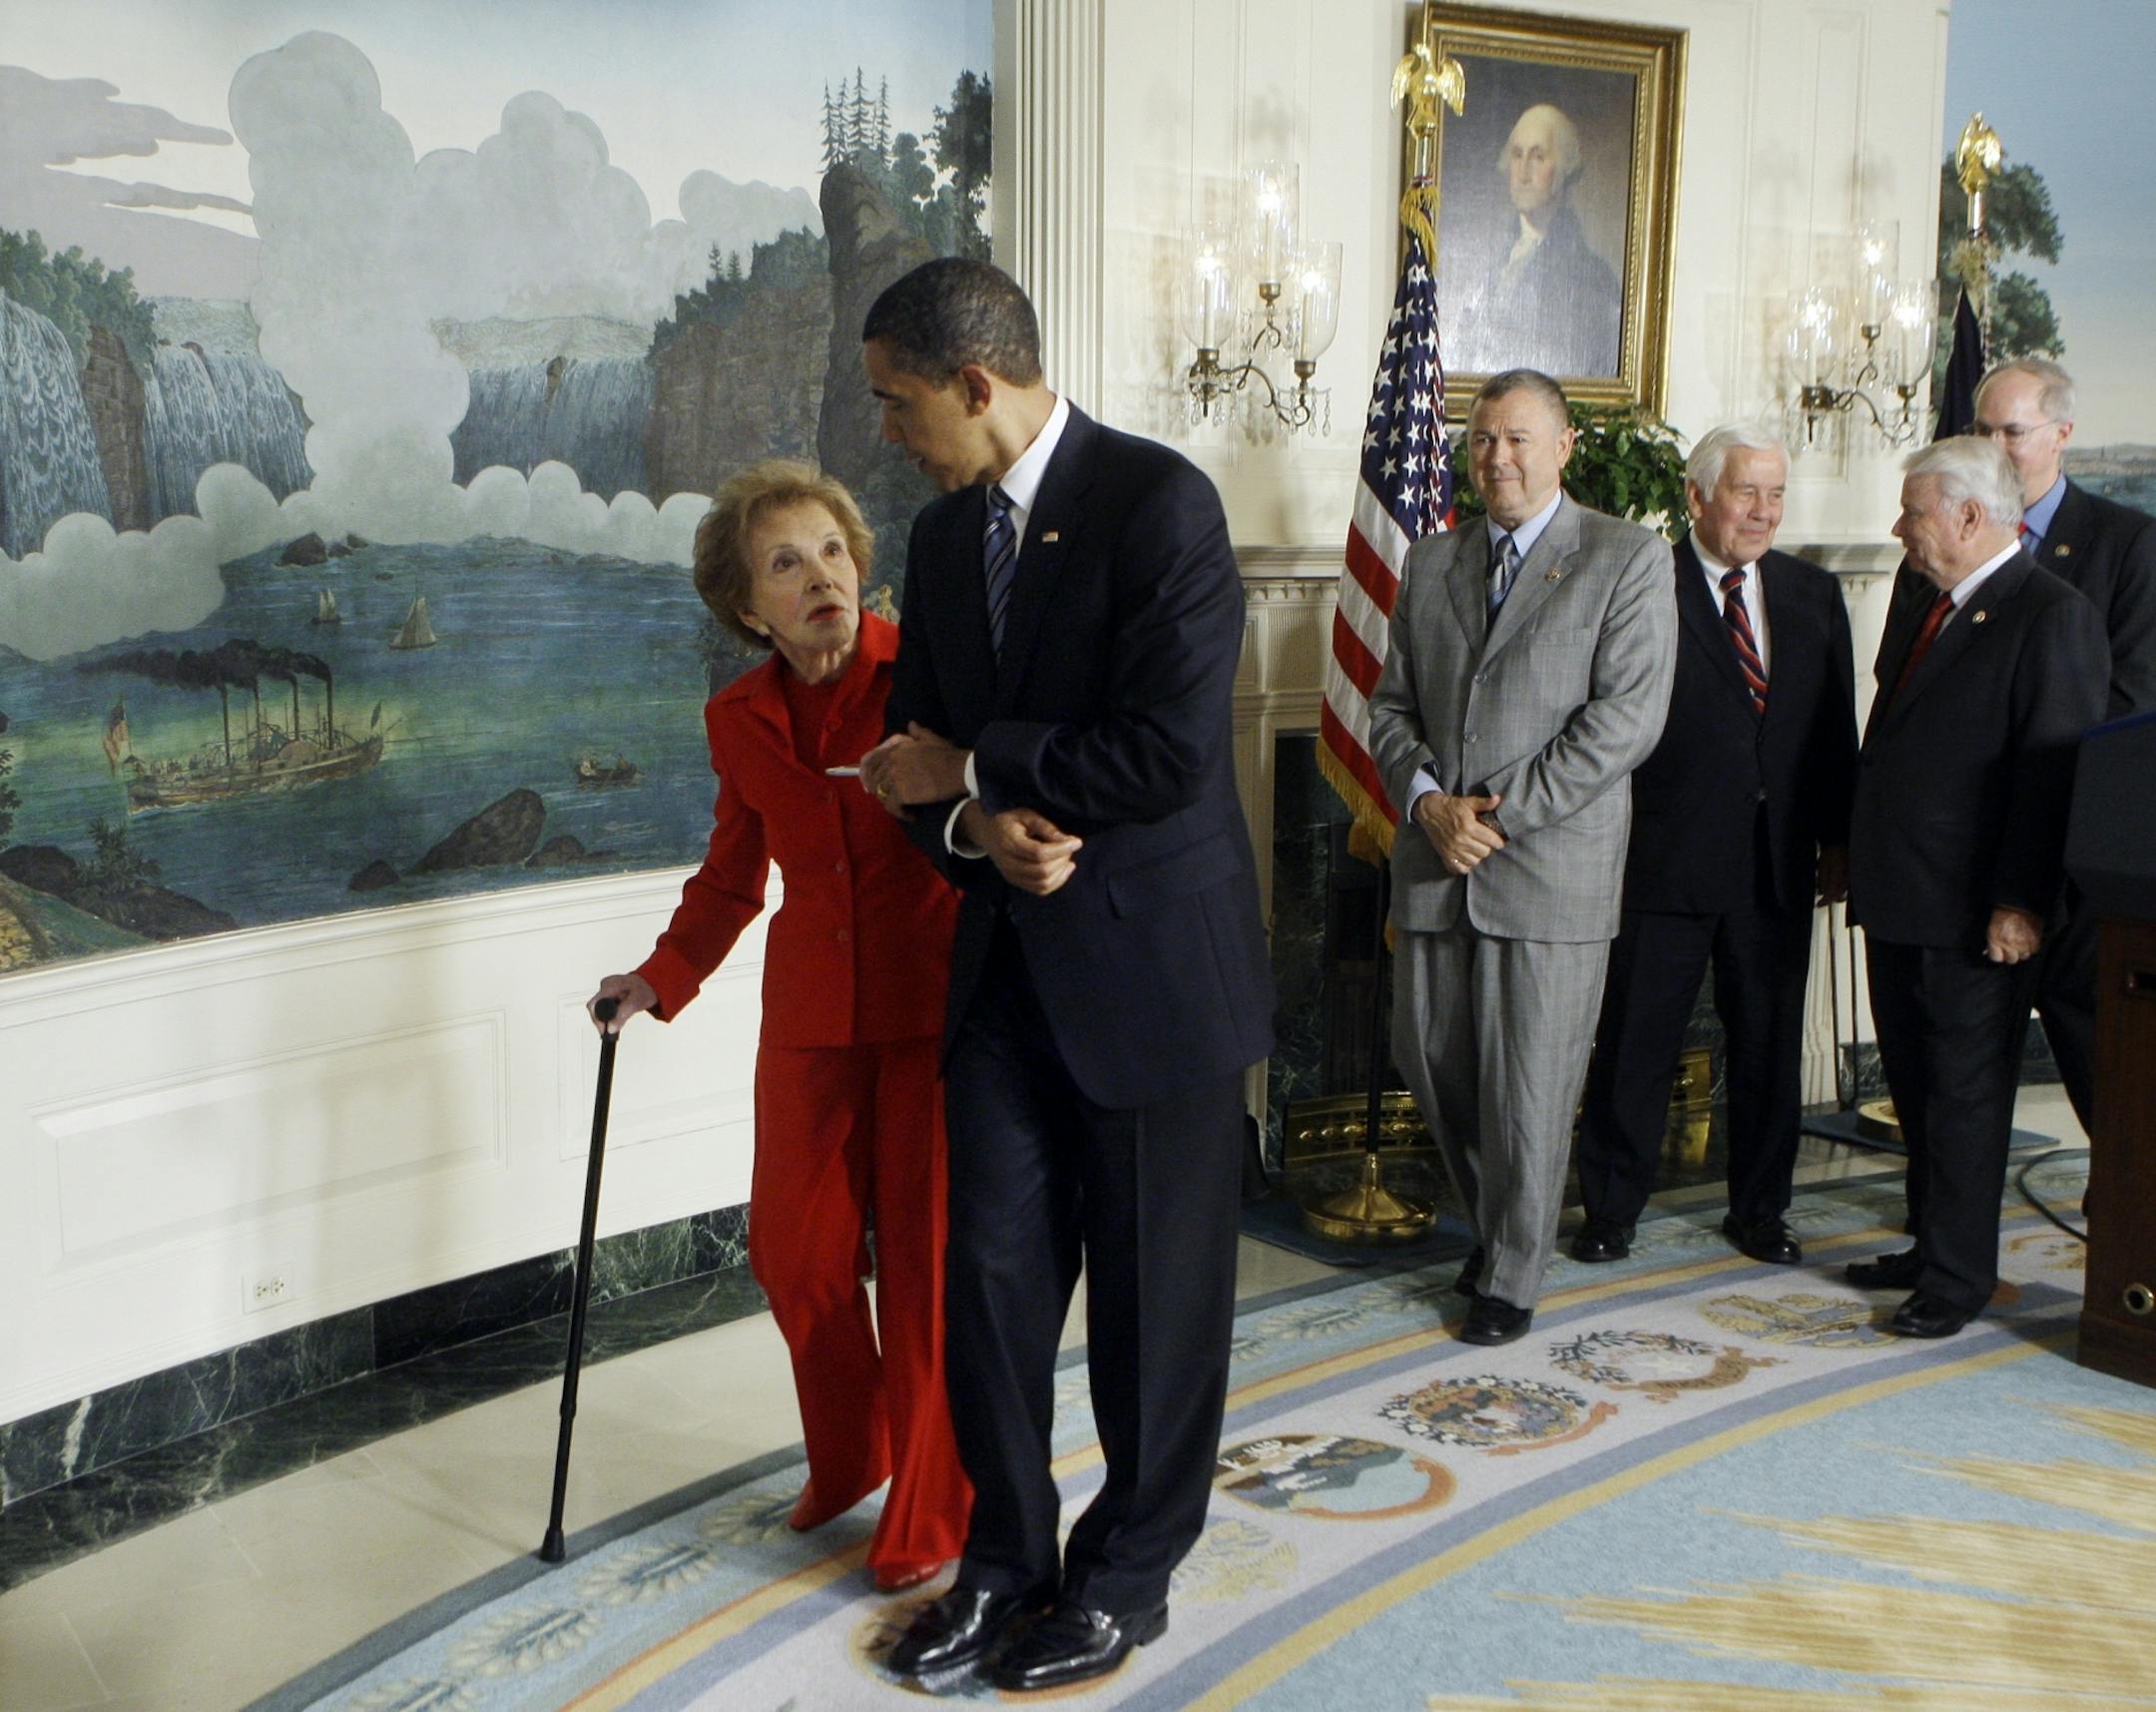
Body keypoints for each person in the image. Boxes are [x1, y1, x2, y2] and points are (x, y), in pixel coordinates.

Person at [853, 258, 1274, 1693]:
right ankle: (1006, 1563)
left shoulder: (1162, 503)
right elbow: (905, 763)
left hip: (1156, 979)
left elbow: (1164, 753)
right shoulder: (934, 527)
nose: (889, 431)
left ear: (977, 384)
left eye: (899, 403)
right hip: (1004, 986)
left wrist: (979, 770)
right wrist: (975, 826)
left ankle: (1124, 1579)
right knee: (991, 1287)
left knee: (1156, 1316)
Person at [584, 460, 969, 1591]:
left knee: (925, 1261)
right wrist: (657, 977)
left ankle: (932, 1505)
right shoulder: (736, 716)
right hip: (809, 1014)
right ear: (749, 606)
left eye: (835, 552)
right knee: (792, 1250)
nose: (821, 578)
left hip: (936, 1000)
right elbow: (729, 875)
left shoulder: (930, 677)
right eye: (787, 564)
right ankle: (855, 1450)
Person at [1368, 368, 1676, 1347]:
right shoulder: (1430, 561)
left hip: (1547, 872)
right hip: (1434, 863)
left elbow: (1623, 724)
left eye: (1518, 439)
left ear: (1565, 448)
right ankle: (1501, 1223)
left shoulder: (1626, 558)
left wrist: (1493, 818)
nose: (1497, 456)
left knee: (1531, 1084)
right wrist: (1426, 804)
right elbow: (1388, 709)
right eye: (1484, 439)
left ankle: (1511, 1271)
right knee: (1433, 1058)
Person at [1574, 426, 1857, 1268]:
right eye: (1745, 492)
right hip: (1663, 858)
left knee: (1770, 1043)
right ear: (1697, 498)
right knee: (1636, 1043)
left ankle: (1761, 1210)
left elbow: (1831, 731)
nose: (1763, 511)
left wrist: (1839, 843)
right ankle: (1610, 1209)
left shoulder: (1811, 592)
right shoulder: (1641, 582)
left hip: (1777, 864)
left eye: (1775, 494)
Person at [1846, 436, 2108, 1338]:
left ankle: (1957, 1280)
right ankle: (1929, 1244)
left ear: (1967, 515)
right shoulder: (1931, 600)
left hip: (1976, 912)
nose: (1897, 529)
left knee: (1964, 1096)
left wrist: (2021, 902)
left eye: (1912, 512)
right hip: (1903, 898)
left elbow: (2051, 776)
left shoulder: (2050, 613)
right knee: (1919, 1088)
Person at [1970, 357, 2156, 1142]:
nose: (1994, 447)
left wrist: (2038, 792)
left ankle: (2129, 1211)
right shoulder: (1958, 530)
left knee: (2097, 1053)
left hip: (2078, 851)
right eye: (1982, 431)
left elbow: (2134, 699)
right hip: (1974, 844)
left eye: (2012, 431)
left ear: (2062, 435)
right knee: (1968, 1063)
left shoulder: (2126, 543)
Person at [1454, 103, 1622, 378]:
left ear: (1565, 168)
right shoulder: (1491, 260)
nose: (1522, 173)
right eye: (1517, 155)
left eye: (1538, 157)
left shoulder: (1593, 277)